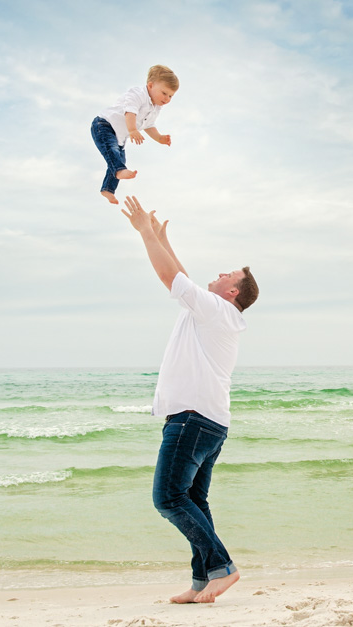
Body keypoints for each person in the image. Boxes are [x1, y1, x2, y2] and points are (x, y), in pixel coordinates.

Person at [120, 195, 259, 604]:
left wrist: (146, 233)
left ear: (232, 290)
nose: (217, 274)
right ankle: (204, 581)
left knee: (167, 497)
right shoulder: (216, 312)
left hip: (193, 419)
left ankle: (223, 567)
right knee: (193, 499)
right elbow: (180, 276)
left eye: (226, 274)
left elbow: (171, 278)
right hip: (208, 422)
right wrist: (163, 239)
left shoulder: (215, 310)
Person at [91, 65, 178, 205]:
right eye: (164, 93)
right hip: (104, 126)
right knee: (113, 154)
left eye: (171, 96)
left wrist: (159, 138)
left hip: (119, 137)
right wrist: (132, 130)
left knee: (120, 160)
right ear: (150, 85)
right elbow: (130, 112)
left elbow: (149, 125)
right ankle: (119, 171)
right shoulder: (138, 94)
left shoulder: (156, 108)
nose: (167, 98)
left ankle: (107, 189)